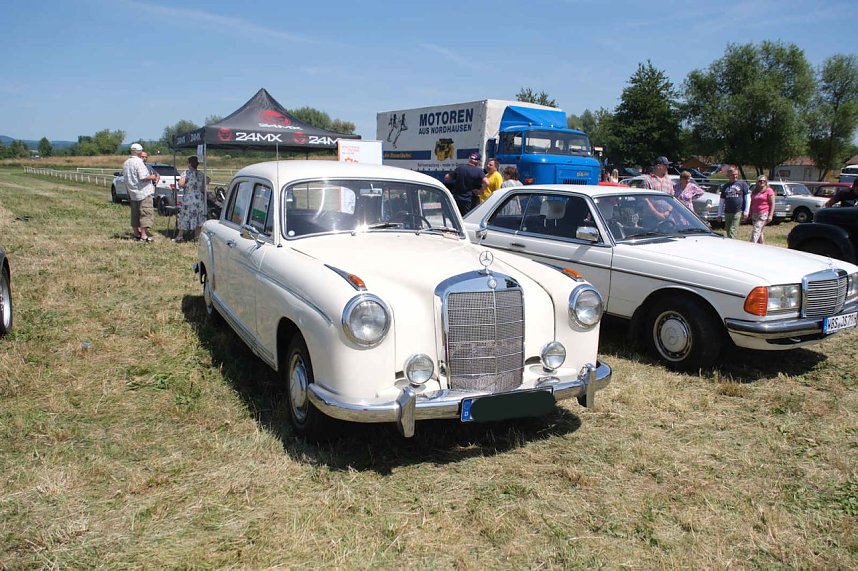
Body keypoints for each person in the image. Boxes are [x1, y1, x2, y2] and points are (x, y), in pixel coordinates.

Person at [122, 143, 157, 242]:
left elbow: (126, 179)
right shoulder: (138, 162)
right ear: (140, 152)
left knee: (135, 214)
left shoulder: (126, 163)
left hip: (132, 192)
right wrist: (153, 176)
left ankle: (136, 234)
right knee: (145, 213)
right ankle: (144, 235)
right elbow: (143, 177)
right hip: (143, 192)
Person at [174, 155, 208, 242]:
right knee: (198, 217)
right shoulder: (201, 174)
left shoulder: (186, 173)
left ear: (189, 164)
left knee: (185, 216)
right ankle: (197, 236)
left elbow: (181, 184)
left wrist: (186, 185)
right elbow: (205, 184)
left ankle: (180, 236)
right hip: (199, 198)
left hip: (189, 198)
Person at [717, 167, 750, 239]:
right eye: (733, 174)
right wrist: (719, 214)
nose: (735, 176)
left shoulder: (742, 184)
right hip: (727, 212)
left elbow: (747, 198)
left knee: (732, 229)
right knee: (728, 230)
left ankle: (731, 245)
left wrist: (746, 211)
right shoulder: (725, 186)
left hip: (738, 211)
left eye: (736, 174)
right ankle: (731, 243)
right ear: (728, 176)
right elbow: (722, 201)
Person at [748, 175, 775, 244]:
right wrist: (750, 212)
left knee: (756, 229)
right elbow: (752, 202)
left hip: (763, 213)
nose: (762, 182)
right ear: (757, 182)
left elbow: (772, 204)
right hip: (754, 213)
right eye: (760, 181)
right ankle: (762, 247)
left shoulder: (769, 191)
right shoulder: (754, 191)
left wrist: (770, 215)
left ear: (766, 182)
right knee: (759, 231)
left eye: (764, 181)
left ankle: (751, 245)